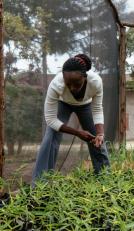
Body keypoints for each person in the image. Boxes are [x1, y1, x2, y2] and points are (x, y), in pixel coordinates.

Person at [32, 54, 110, 184]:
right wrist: (78, 133)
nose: (72, 88)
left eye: (77, 83)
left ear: (85, 78)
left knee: (97, 138)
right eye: (68, 84)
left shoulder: (95, 82)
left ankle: (104, 179)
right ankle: (40, 184)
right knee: (50, 136)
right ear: (62, 77)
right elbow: (51, 120)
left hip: (85, 105)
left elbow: (97, 109)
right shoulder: (56, 84)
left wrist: (101, 133)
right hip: (64, 104)